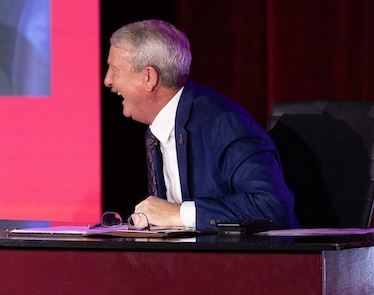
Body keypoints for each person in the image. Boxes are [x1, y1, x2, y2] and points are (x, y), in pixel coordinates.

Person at [103, 20, 296, 229]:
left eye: (115, 69)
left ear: (149, 77)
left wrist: (179, 214)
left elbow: (271, 205)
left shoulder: (222, 122)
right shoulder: (158, 129)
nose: (108, 81)